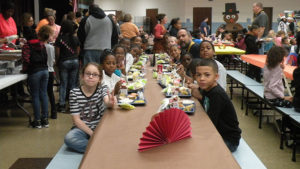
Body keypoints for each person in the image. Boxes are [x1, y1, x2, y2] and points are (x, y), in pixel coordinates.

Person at [64, 62, 116, 153]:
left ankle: (94, 147)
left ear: (100, 79)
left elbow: (106, 100)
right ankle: (100, 148)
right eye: (88, 74)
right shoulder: (74, 93)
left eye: (95, 75)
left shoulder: (102, 88)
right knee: (69, 139)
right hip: (82, 128)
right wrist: (93, 134)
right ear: (82, 76)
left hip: (100, 127)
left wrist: (110, 103)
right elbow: (76, 120)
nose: (91, 77)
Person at [194, 58, 241, 152]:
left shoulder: (217, 94)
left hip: (228, 139)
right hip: (217, 132)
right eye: (199, 75)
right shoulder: (206, 88)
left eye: (207, 75)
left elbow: (211, 123)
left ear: (216, 77)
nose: (202, 78)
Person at [22, 25, 52, 128]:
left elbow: (26, 59)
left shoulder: (27, 45)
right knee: (43, 94)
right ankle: (45, 120)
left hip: (34, 72)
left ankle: (37, 121)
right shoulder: (42, 44)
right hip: (45, 71)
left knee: (35, 95)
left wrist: (24, 69)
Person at [55, 20, 81, 113]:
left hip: (64, 62)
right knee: (73, 84)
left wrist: (57, 62)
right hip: (75, 61)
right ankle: (73, 104)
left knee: (63, 84)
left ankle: (62, 104)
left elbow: (57, 53)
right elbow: (78, 51)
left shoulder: (59, 39)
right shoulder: (75, 38)